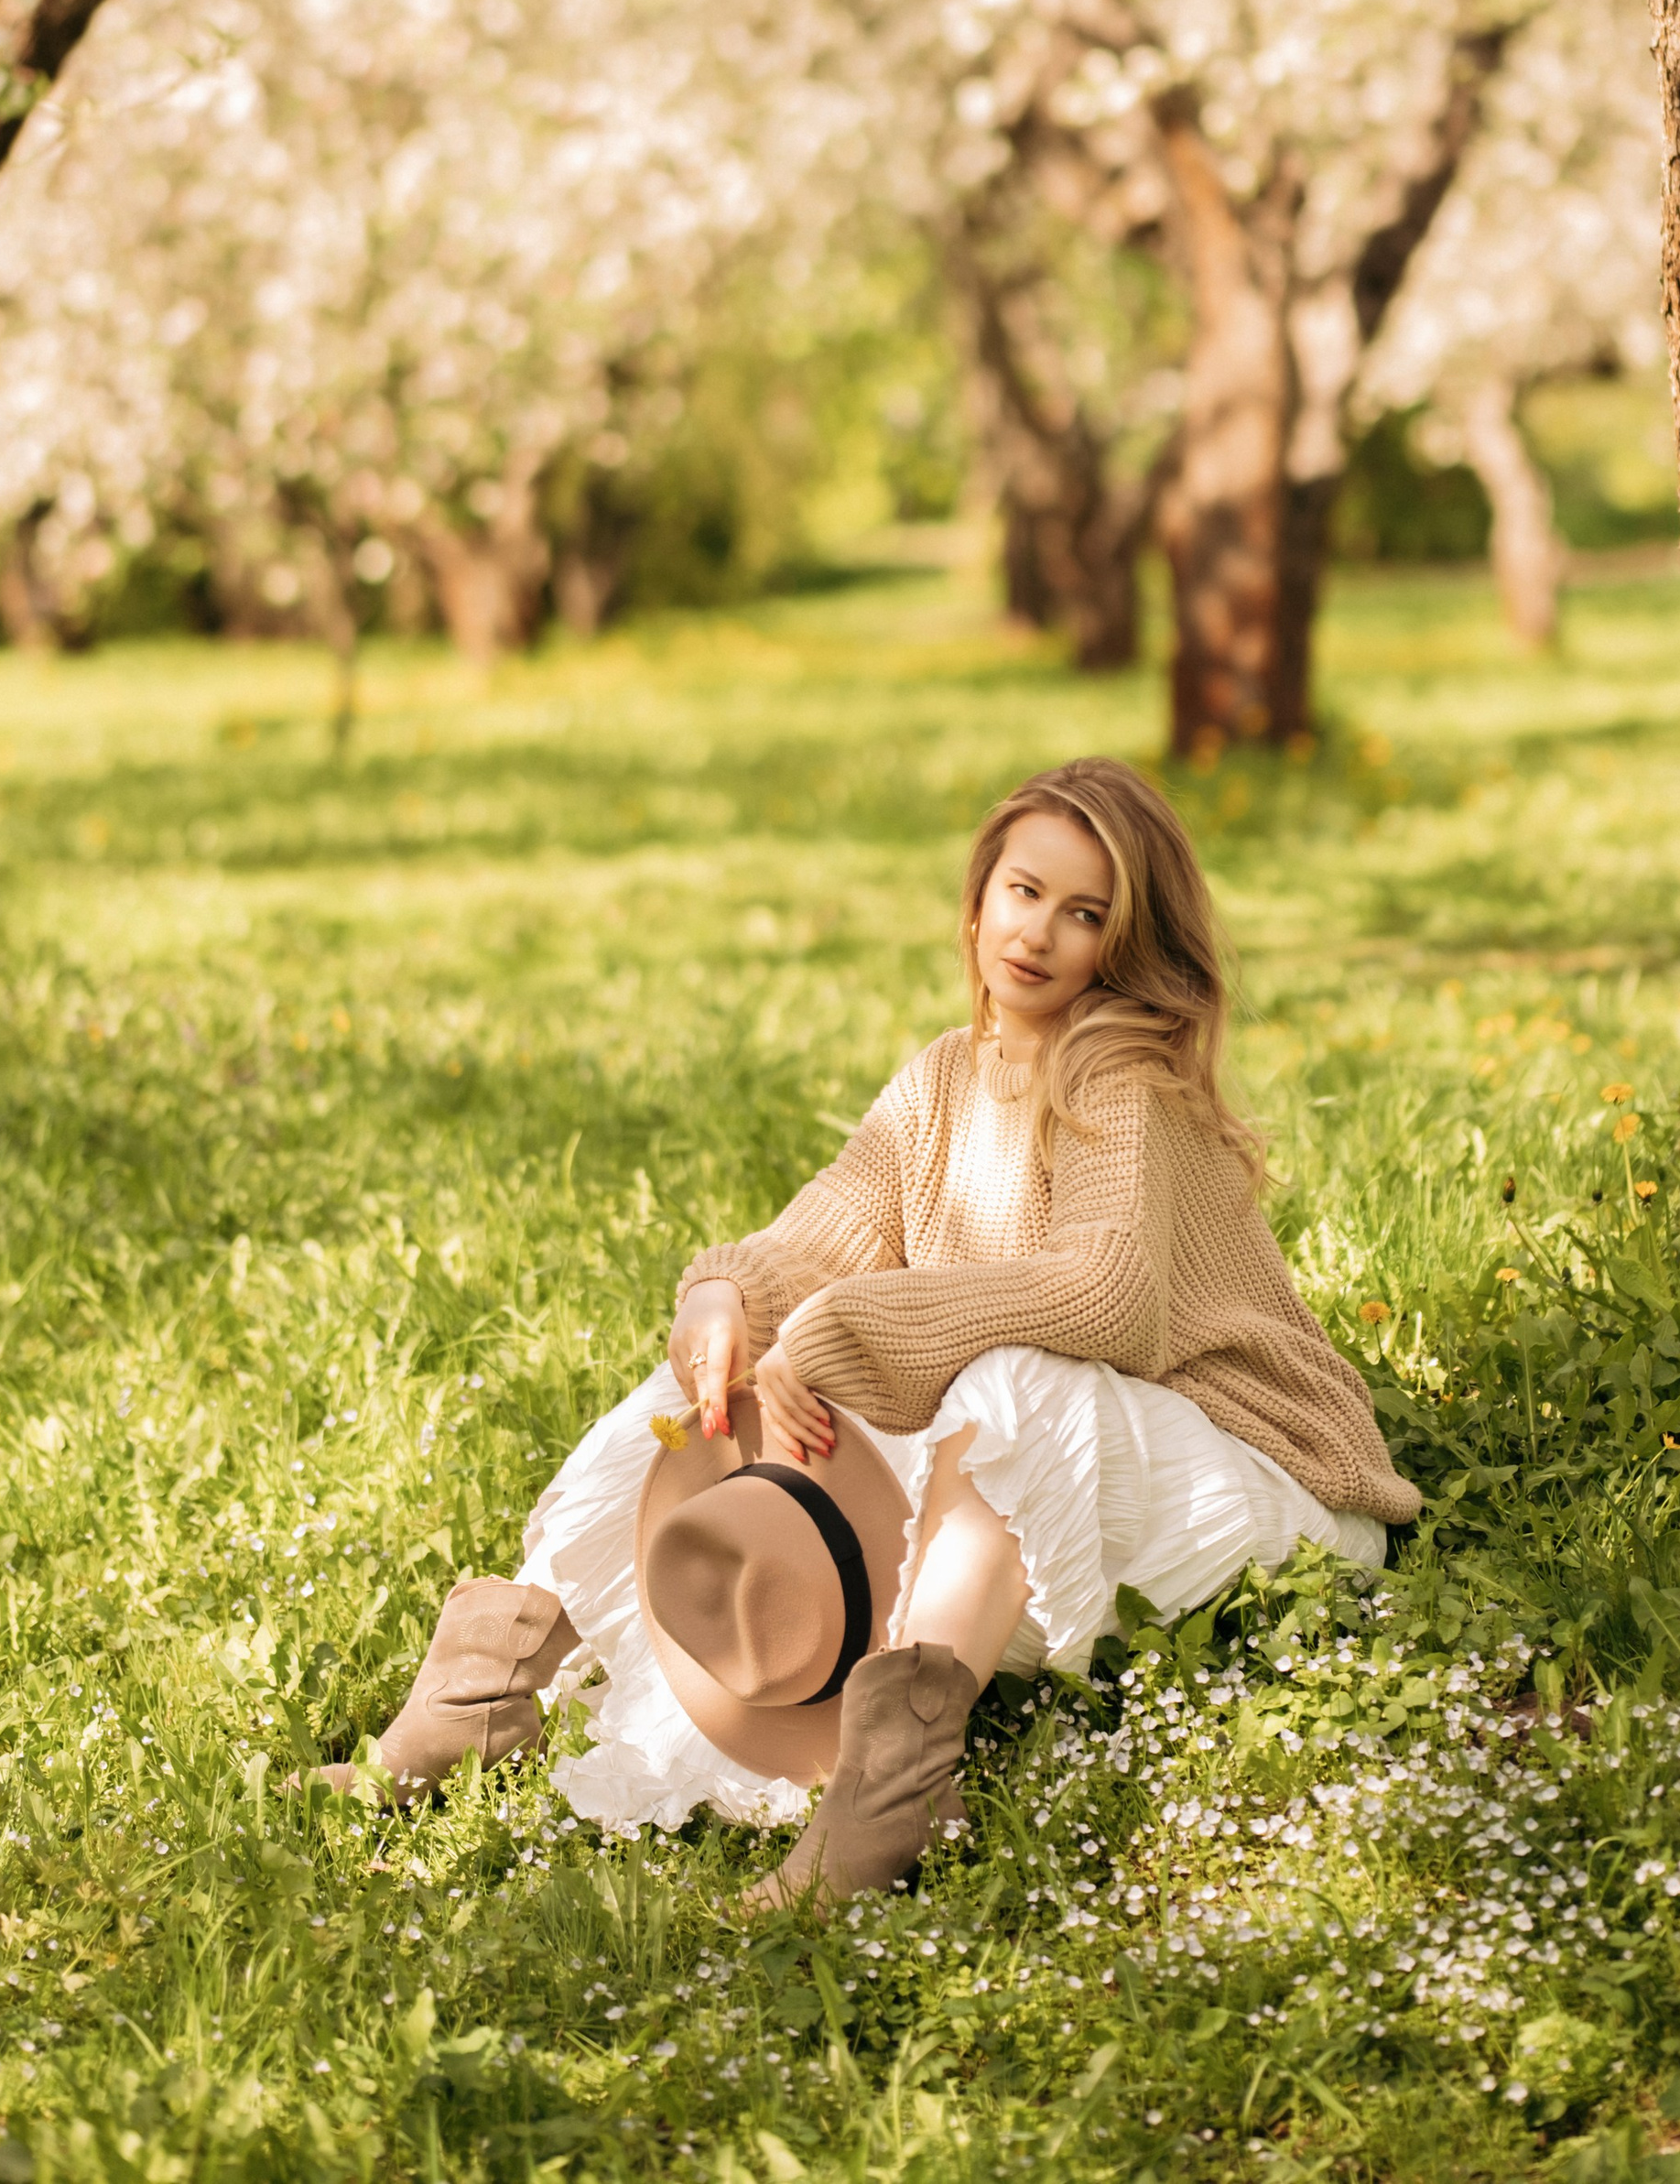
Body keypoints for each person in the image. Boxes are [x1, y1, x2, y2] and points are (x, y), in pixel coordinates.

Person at [330, 756, 1420, 1904]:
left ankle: (888, 1798)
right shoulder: (943, 1077)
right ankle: (473, 1708)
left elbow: (1105, 1301)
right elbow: (822, 1235)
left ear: (1124, 942)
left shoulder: (1118, 1078)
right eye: (1022, 890)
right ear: (976, 896)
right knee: (683, 1396)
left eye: (1084, 912)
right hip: (1069, 1478)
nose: (1039, 931)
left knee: (1013, 1379)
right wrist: (731, 1302)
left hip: (1256, 1471)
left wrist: (837, 1330)